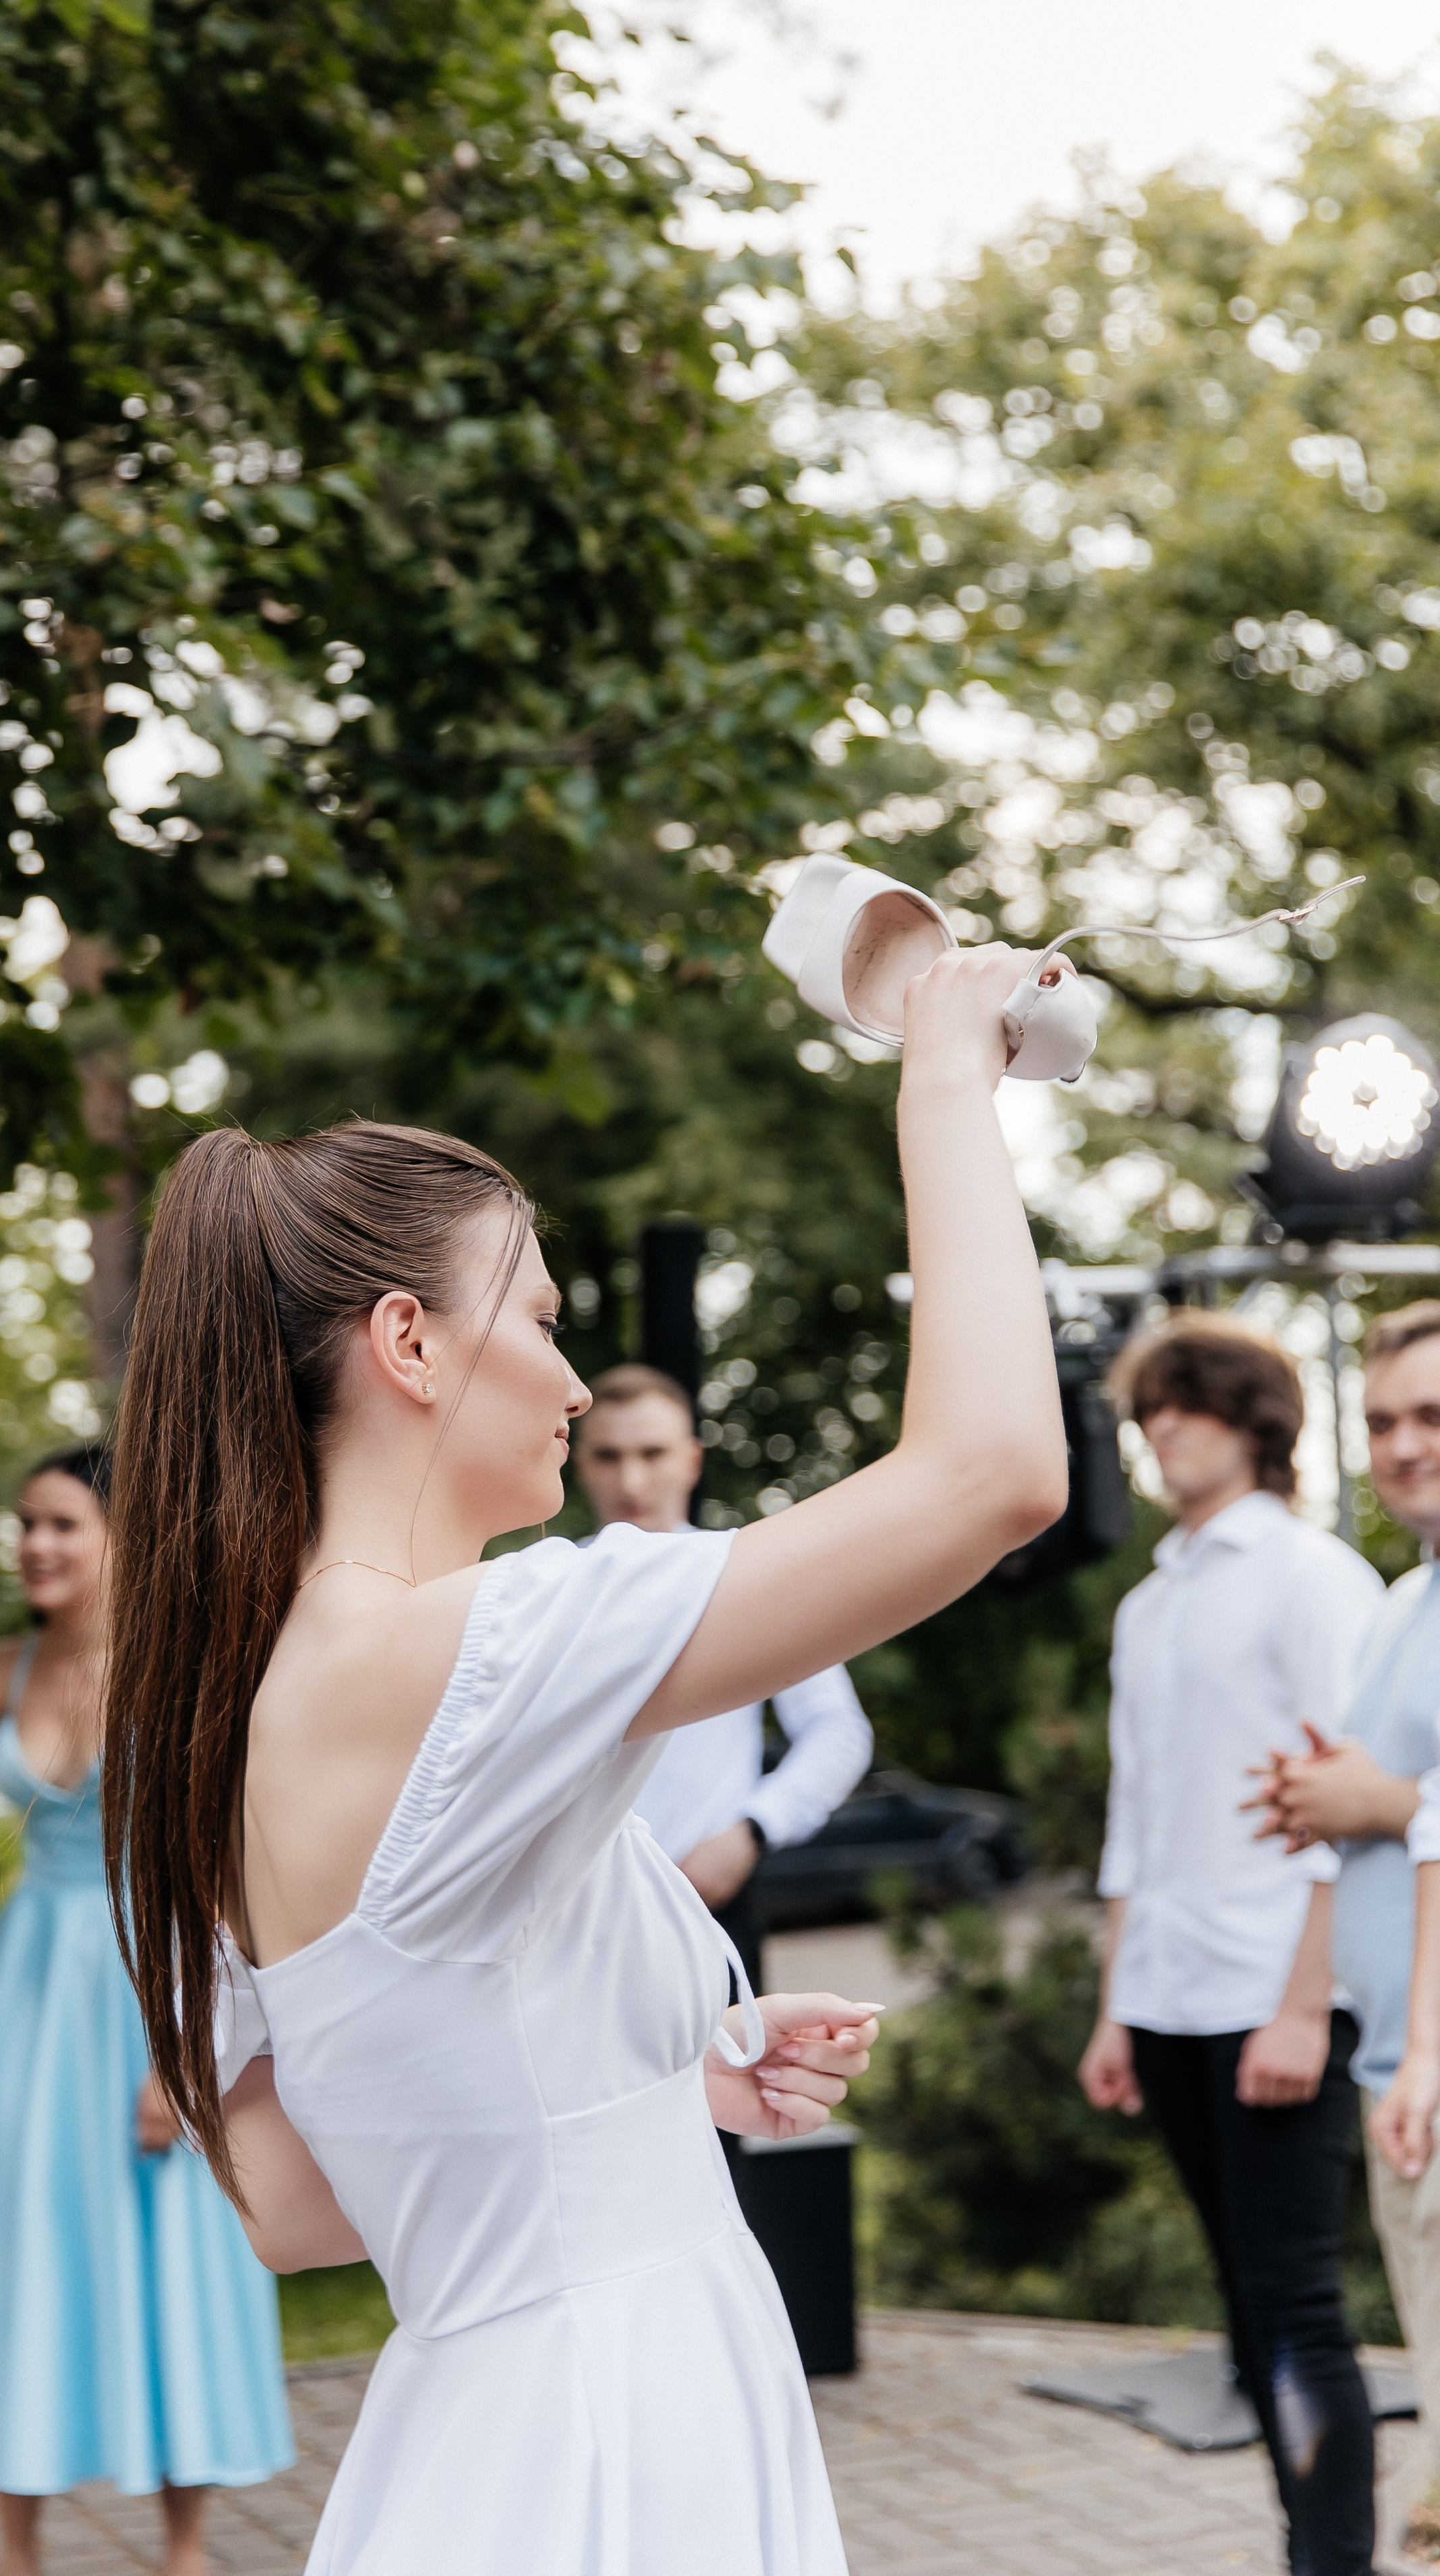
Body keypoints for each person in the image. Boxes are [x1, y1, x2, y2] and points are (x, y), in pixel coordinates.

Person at [101, 937, 1069, 2576]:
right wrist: (940, 1068)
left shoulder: (236, 1711)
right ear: (406, 1342)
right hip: (613, 2444)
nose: (566, 1374)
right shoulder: (459, 1648)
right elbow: (990, 1473)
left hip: (495, 2432)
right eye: (539, 1317)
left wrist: (643, 2102)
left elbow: (287, 2200)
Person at [0, 1448, 293, 2576]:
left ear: (121, 1537)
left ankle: (186, 2550)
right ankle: (18, 2554)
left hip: (157, 1974)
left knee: (178, 2239)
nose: (36, 1547)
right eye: (25, 1526)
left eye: (61, 1525)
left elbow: (218, 1865)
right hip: (33, 1993)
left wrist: (188, 2049)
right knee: (25, 2242)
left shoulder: (183, 1668)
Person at [1076, 1316, 1385, 2576]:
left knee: (1302, 2310)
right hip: (1169, 1994)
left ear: (1256, 1421)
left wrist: (1306, 2006)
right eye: (1151, 1409)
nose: (1164, 1427)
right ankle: (1301, 2547)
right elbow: (1133, 1818)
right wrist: (1113, 2004)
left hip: (1283, 1994)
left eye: (1190, 1404)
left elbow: (1345, 1809)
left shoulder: (1315, 1576)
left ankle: (1335, 2563)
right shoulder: (1149, 1606)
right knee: (1251, 2318)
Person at [1256, 1304, 1440, 2557]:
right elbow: (1378, 1826)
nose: (1403, 1443)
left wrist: (1389, 1801)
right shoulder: (1404, 1602)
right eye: (1382, 1421)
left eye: (1433, 1415)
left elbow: (1412, 1818)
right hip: (1397, 2078)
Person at [572, 1362, 872, 1994]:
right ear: (581, 1462)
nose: (631, 1479)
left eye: (652, 1453)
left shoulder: (746, 1578)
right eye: (609, 1455)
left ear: (690, 1460)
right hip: (568, 1923)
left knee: (726, 2092)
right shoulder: (547, 1587)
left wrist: (751, 1831)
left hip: (709, 1911)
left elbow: (838, 1729)